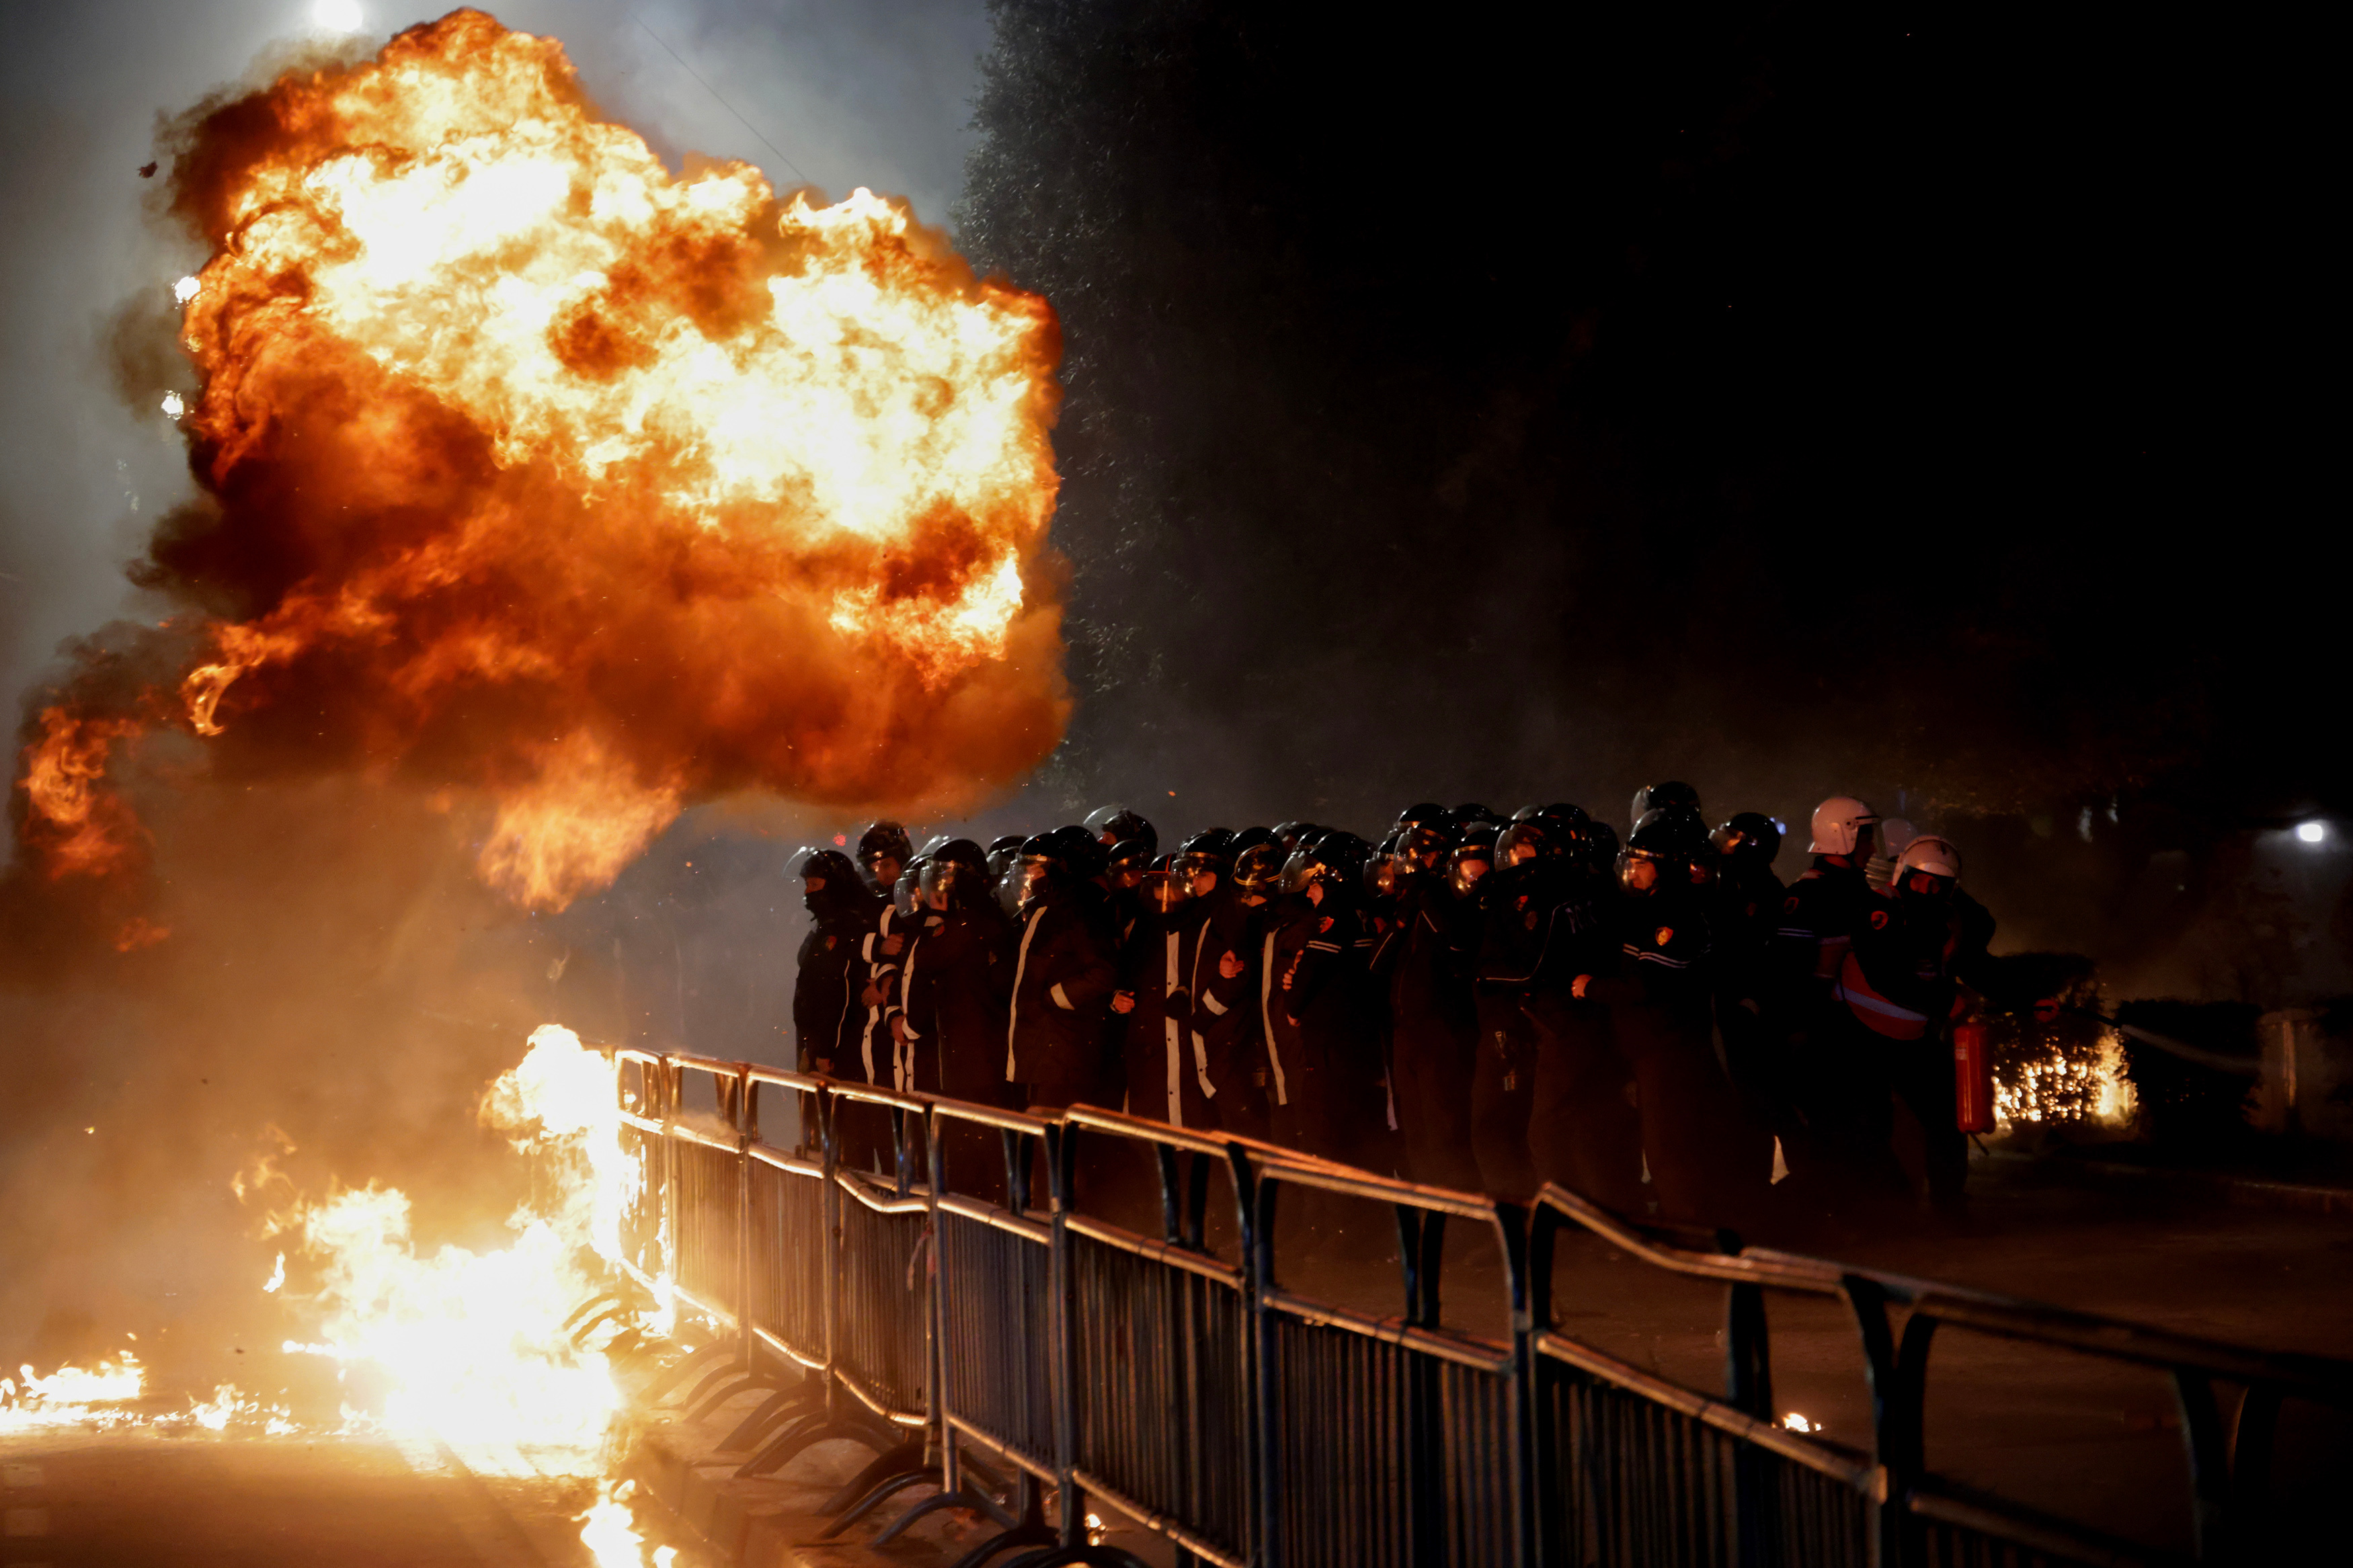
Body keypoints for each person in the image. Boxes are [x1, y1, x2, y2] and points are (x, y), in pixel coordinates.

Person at [1570, 807, 1765, 1227]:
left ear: (1666, 867)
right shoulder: (1655, 908)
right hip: (1658, 1051)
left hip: (1671, 1053)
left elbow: (1648, 985)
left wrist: (1591, 987)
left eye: (1643, 863)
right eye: (1634, 861)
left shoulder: (1672, 916)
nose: (1634, 871)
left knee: (1671, 1149)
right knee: (1675, 1146)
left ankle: (1691, 1233)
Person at [1768, 795, 1890, 1203]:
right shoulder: (1807, 898)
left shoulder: (1860, 893)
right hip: (1824, 1039)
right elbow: (1789, 977)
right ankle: (1822, 1216)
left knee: (1869, 1126)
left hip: (1861, 1036)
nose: (1873, 848)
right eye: (1867, 838)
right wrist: (1799, 1031)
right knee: (1833, 1131)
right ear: (1843, 836)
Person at [894, 840, 1016, 1198]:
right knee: (970, 1158)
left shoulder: (966, 924)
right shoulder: (982, 919)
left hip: (974, 1061)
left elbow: (930, 958)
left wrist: (935, 916)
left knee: (974, 1164)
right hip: (974, 1059)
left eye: (942, 881)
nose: (935, 891)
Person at [1385, 821, 1484, 1190]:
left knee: (1445, 1135)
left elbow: (1458, 945)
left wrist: (1428, 894)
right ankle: (1431, 1223)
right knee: (1417, 1137)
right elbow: (1379, 962)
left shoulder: (1449, 899)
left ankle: (1461, 1228)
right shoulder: (1414, 901)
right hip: (1407, 1031)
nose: (1413, 863)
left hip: (1441, 1033)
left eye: (1423, 856)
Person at [1004, 833, 1119, 1112]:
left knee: (1052, 1142)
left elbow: (1104, 970)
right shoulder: (1040, 911)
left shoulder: (1077, 913)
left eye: (1037, 867)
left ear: (1061, 869)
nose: (1029, 875)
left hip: (1064, 1051)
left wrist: (1055, 998)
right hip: (1042, 1050)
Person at [788, 848, 873, 1076]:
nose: (808, 891)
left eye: (815, 885)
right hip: (813, 1041)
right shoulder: (826, 926)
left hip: (831, 1051)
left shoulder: (843, 927)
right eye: (807, 884)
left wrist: (823, 1049)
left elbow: (835, 991)